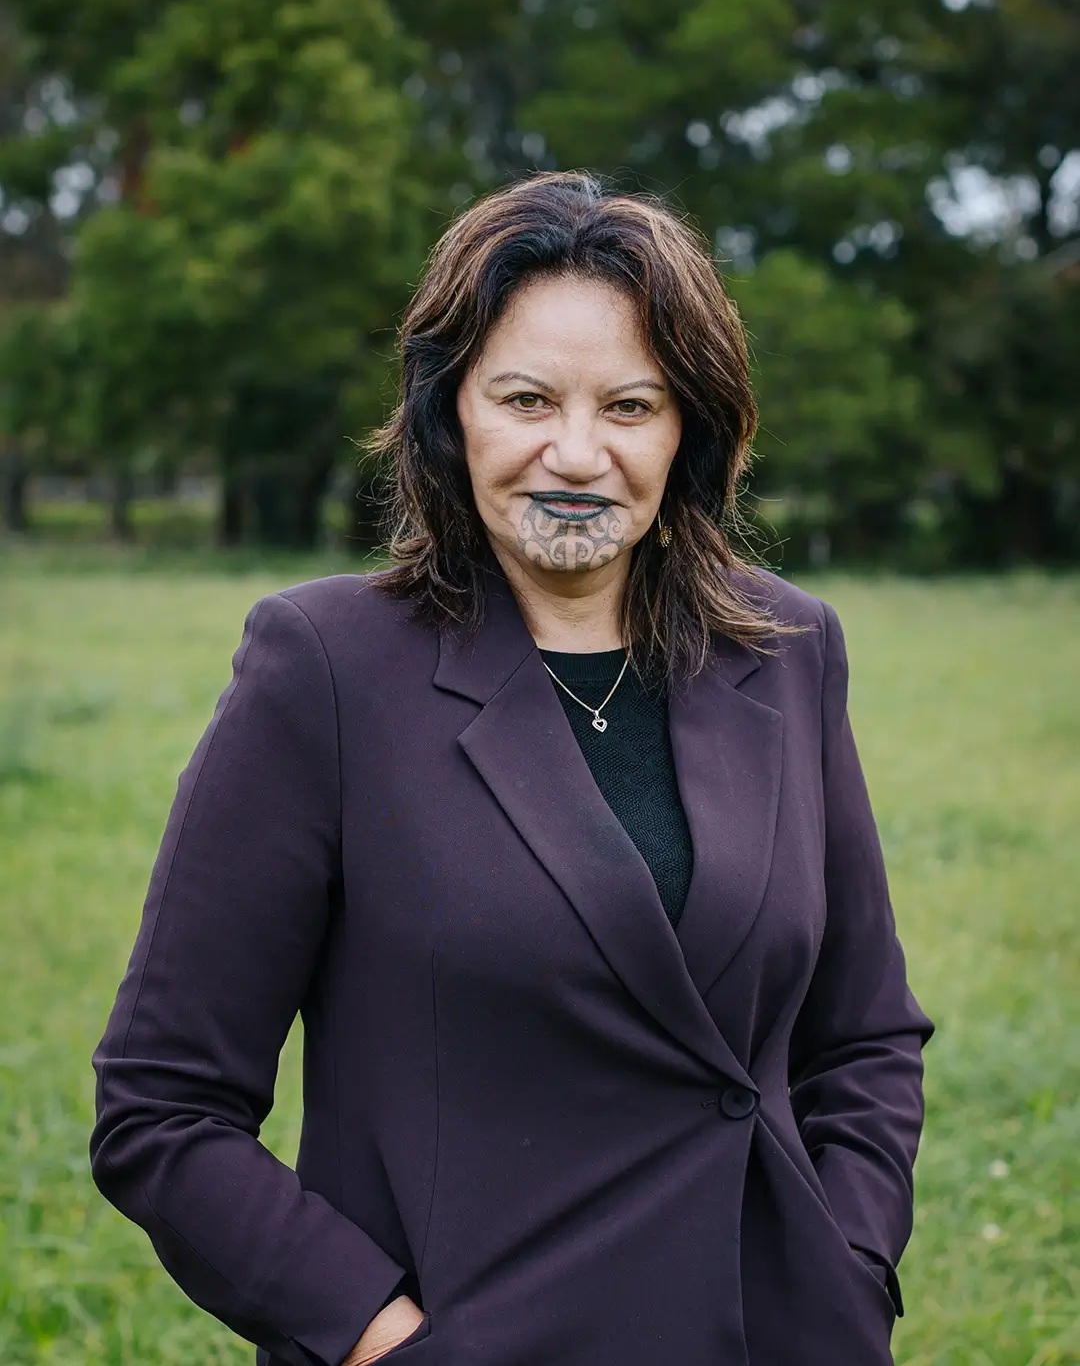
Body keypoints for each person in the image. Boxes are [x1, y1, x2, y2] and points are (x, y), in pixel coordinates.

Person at [90, 171, 933, 1366]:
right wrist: (382, 1338)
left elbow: (863, 1036)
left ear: (691, 425)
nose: (576, 454)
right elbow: (161, 1110)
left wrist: (849, 1263)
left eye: (631, 406)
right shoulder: (324, 669)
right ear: (452, 413)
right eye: (527, 397)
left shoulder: (789, 651)